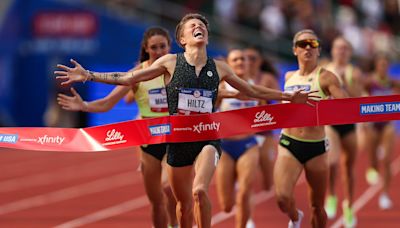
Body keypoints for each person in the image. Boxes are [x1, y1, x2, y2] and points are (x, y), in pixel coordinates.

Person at [55, 13, 318, 228]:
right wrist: (88, 75)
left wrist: (286, 96)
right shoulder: (170, 62)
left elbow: (253, 91)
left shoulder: (220, 67)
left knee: (199, 191)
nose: (198, 27)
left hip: (207, 137)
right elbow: (127, 79)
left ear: (206, 35)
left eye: (202, 25)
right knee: (182, 208)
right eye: (192, 25)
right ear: (182, 38)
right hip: (177, 141)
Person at [57, 27, 178, 228]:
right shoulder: (137, 74)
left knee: (168, 187)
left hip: (175, 138)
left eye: (162, 46)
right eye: (154, 47)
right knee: (156, 202)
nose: (159, 51)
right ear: (146, 49)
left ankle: (177, 223)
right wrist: (84, 105)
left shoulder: (180, 71)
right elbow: (107, 103)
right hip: (148, 142)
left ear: (169, 46)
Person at [274, 29, 348, 228]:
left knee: (317, 206)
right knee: (282, 197)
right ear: (294, 50)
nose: (307, 47)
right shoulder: (289, 76)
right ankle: (295, 217)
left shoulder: (326, 77)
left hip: (316, 147)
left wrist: (330, 105)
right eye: (302, 44)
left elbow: (347, 108)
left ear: (318, 50)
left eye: (312, 44)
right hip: (289, 143)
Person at [216, 48, 260, 228]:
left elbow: (268, 110)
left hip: (248, 144)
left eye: (243, 59)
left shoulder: (254, 86)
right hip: (225, 146)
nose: (240, 62)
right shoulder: (221, 87)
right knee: (226, 206)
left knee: (244, 191)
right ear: (228, 64)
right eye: (235, 60)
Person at [322, 36, 364, 226]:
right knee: (332, 161)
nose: (341, 51)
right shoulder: (324, 69)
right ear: (332, 50)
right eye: (338, 48)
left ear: (350, 52)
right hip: (331, 123)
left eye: (345, 48)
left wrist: (344, 83)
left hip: (350, 124)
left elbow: (356, 98)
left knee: (349, 167)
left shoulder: (353, 72)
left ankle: (349, 204)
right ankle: (331, 195)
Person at [363, 52, 400, 210]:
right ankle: (372, 167)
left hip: (387, 125)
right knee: (373, 162)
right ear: (376, 66)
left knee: (386, 159)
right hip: (372, 124)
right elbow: (359, 96)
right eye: (381, 65)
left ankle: (384, 194)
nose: (384, 68)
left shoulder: (392, 82)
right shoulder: (369, 81)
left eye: (386, 65)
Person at [244, 46, 280, 191]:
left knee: (267, 173)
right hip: (244, 132)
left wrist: (262, 101)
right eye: (246, 58)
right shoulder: (237, 77)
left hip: (264, 130)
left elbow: (278, 102)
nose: (249, 61)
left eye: (253, 58)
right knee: (246, 172)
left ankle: (268, 192)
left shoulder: (267, 78)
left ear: (260, 61)